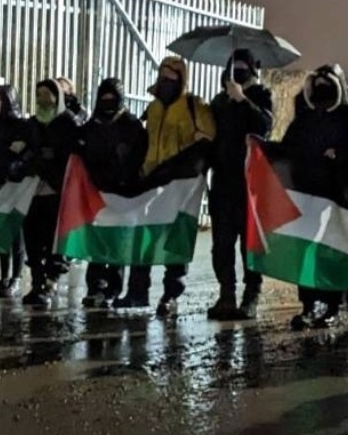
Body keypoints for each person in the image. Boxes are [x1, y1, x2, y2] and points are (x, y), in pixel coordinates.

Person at [280, 63, 348, 330]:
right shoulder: (305, 117)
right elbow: (287, 148)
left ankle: (333, 306)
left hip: (337, 193)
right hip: (307, 194)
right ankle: (308, 305)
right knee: (305, 250)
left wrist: (343, 155)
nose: (321, 91)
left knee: (334, 250)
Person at [122, 55, 215, 316]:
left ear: (181, 79)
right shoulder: (152, 108)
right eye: (163, 76)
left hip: (181, 185)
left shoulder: (194, 106)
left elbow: (210, 138)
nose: (166, 82)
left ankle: (171, 295)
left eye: (171, 77)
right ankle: (137, 291)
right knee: (144, 237)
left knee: (175, 241)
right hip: (151, 181)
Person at [206, 48, 276, 320]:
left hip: (250, 183)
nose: (238, 69)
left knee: (250, 242)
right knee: (222, 242)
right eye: (234, 64)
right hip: (223, 181)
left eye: (243, 65)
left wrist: (244, 100)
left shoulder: (261, 96)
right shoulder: (220, 101)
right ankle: (226, 293)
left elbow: (265, 125)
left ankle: (251, 295)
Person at [74, 77, 148, 308]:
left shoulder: (132, 126)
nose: (107, 103)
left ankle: (113, 288)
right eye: (103, 98)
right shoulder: (92, 126)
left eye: (112, 99)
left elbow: (139, 157)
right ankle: (95, 286)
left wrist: (126, 178)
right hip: (97, 193)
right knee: (97, 242)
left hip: (123, 192)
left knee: (117, 242)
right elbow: (79, 148)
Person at [23, 78, 82, 307]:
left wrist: (51, 160)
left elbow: (73, 154)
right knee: (33, 239)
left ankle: (50, 282)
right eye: (39, 95)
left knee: (54, 239)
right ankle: (37, 282)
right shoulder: (33, 123)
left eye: (47, 95)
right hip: (33, 192)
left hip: (57, 191)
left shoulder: (67, 123)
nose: (42, 100)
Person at [0, 84, 38, 299]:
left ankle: (16, 277)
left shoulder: (22, 125)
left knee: (16, 233)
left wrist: (20, 161)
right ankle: (4, 276)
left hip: (16, 184)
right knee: (2, 232)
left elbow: (33, 150)